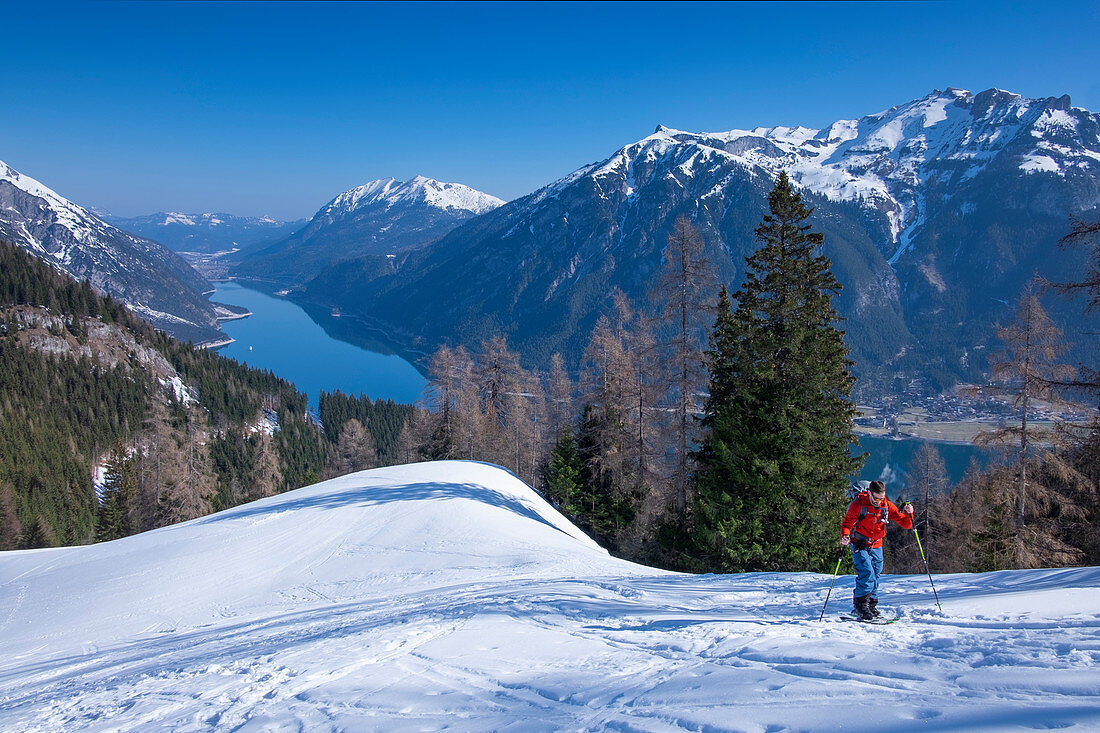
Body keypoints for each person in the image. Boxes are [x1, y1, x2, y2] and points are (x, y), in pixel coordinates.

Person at [840, 480, 914, 620]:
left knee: (876, 574)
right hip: (860, 543)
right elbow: (847, 524)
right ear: (869, 493)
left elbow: (906, 524)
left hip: (877, 545)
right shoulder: (858, 505)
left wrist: (909, 513)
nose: (879, 501)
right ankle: (861, 606)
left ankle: (871, 605)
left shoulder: (886, 506)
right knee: (867, 573)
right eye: (876, 498)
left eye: (882, 498)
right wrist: (845, 536)